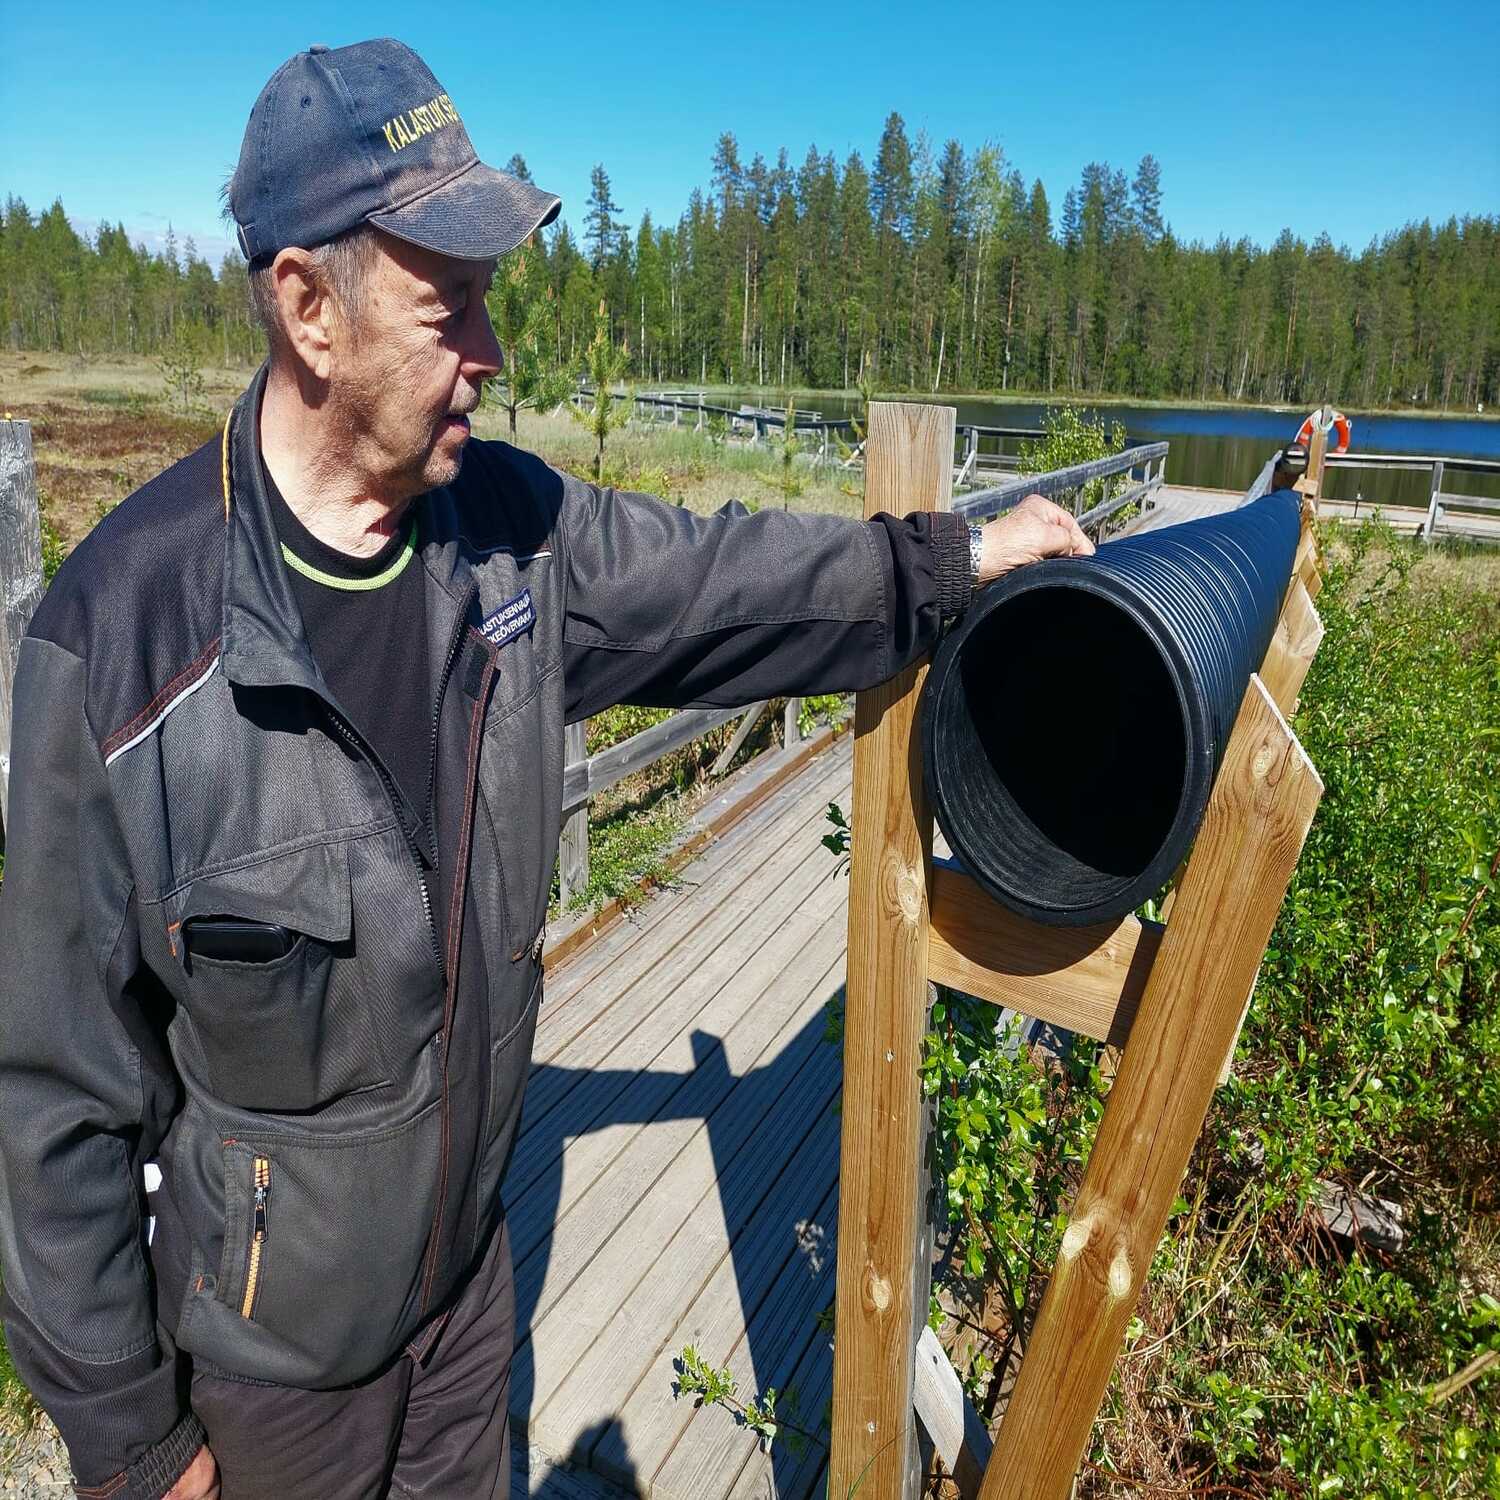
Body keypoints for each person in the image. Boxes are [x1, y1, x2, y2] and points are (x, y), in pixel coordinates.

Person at [0, 39, 1093, 1500]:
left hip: (465, 1309)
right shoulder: (123, 642)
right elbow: (51, 1102)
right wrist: (138, 1452)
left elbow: (723, 584)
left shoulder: (512, 537)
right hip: (266, 1383)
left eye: (491, 303)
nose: (492, 354)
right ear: (307, 308)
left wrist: (948, 560)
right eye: (449, 306)